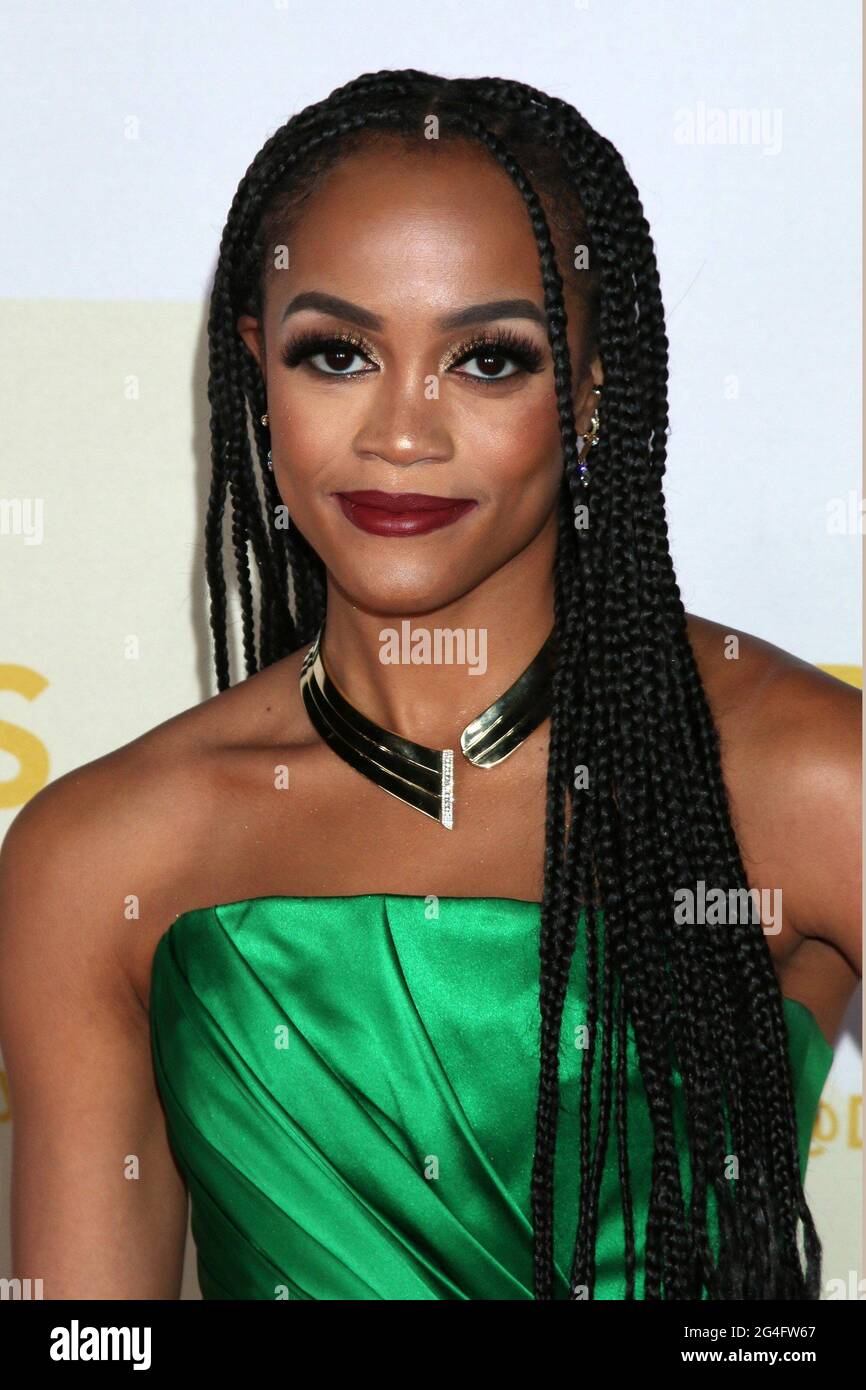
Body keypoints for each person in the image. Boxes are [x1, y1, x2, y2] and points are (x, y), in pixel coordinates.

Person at [0, 69, 859, 1301]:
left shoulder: (811, 777)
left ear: (594, 386)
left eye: (490, 360)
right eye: (337, 353)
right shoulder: (100, 856)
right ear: (258, 370)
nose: (403, 433)